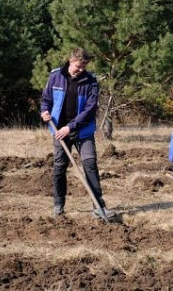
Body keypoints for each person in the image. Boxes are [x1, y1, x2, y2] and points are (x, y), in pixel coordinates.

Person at [40, 47, 115, 220]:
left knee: (90, 164)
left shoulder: (91, 82)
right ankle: (59, 206)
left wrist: (71, 127)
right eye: (78, 66)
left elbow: (90, 110)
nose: (81, 69)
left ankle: (98, 207)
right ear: (71, 60)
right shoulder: (55, 76)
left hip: (83, 131)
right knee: (59, 167)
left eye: (84, 66)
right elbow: (46, 100)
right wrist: (44, 112)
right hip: (60, 131)